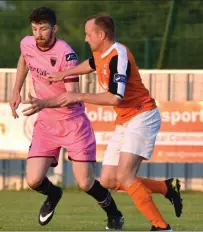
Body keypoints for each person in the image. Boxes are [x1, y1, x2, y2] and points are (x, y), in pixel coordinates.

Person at [25, 13, 183, 231]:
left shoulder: (119, 55)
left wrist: (78, 96)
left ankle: (161, 227)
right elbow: (91, 64)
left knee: (125, 176)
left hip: (142, 115)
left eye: (89, 34)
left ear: (102, 34)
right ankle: (167, 188)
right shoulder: (99, 52)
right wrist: (64, 74)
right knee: (108, 180)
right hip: (125, 119)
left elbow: (114, 97)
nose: (86, 39)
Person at [9, 7, 124, 230]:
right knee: (33, 180)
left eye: (43, 29)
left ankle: (114, 214)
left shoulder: (66, 54)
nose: (38, 34)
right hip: (46, 124)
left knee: (85, 183)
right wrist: (16, 90)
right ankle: (53, 194)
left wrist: (43, 103)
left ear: (54, 28)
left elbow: (71, 96)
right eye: (34, 29)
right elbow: (24, 58)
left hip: (73, 124)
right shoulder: (27, 43)